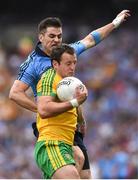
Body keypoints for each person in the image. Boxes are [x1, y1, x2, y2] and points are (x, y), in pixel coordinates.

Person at [9, 9, 130, 179]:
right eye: (52, 36)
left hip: (70, 121)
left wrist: (115, 23)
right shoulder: (32, 64)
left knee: (85, 174)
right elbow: (15, 93)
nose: (56, 40)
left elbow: (90, 39)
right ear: (41, 37)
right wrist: (43, 109)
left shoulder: (67, 53)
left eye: (59, 36)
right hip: (53, 126)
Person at [35, 44, 88, 179]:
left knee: (80, 160)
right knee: (72, 176)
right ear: (55, 64)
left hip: (66, 142)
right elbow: (43, 110)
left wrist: (81, 120)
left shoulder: (69, 81)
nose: (72, 67)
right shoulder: (49, 77)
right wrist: (76, 102)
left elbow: (74, 103)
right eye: (68, 63)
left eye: (74, 63)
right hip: (51, 143)